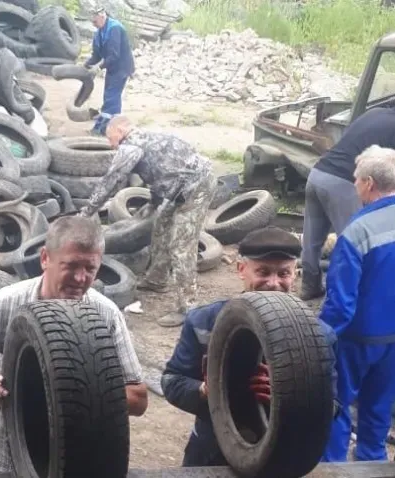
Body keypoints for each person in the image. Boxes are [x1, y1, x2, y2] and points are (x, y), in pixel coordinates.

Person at [0, 215, 147, 474]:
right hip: (1, 463)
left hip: (71, 464)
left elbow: (138, 398)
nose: (81, 278)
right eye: (71, 265)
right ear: (44, 259)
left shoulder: (106, 314)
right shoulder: (3, 305)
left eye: (90, 268)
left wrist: (76, 395)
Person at [162, 226, 338, 467]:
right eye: (263, 271)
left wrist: (293, 395)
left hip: (281, 458)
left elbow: (333, 406)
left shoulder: (319, 335)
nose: (274, 283)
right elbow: (172, 381)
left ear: (294, 274)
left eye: (283, 273)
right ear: (241, 269)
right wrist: (205, 390)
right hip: (211, 452)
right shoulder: (203, 322)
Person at [79, 115, 217, 327]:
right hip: (179, 187)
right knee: (161, 226)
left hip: (196, 186)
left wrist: (86, 213)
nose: (109, 143)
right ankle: (157, 279)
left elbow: (111, 181)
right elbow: (164, 170)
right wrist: (155, 200)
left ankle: (189, 307)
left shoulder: (131, 146)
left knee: (181, 246)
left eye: (109, 136)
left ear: (120, 130)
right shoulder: (148, 138)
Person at [320, 145, 395, 462]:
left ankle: (334, 467)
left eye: (355, 180)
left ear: (368, 183)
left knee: (336, 407)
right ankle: (372, 463)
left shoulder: (357, 231)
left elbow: (341, 304)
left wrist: (319, 340)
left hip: (357, 339)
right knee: (378, 409)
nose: (354, 185)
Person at [300, 106, 395, 300]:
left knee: (312, 240)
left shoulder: (374, 113)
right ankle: (348, 297)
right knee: (354, 245)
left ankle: (310, 287)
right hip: (346, 182)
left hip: (318, 174)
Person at [83, 6, 135, 136]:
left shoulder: (114, 28)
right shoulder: (99, 32)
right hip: (112, 68)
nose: (93, 25)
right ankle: (116, 128)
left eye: (95, 21)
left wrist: (99, 67)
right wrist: (86, 65)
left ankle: (100, 129)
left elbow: (114, 55)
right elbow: (96, 55)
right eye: (92, 22)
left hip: (122, 67)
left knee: (111, 96)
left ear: (102, 16)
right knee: (110, 95)